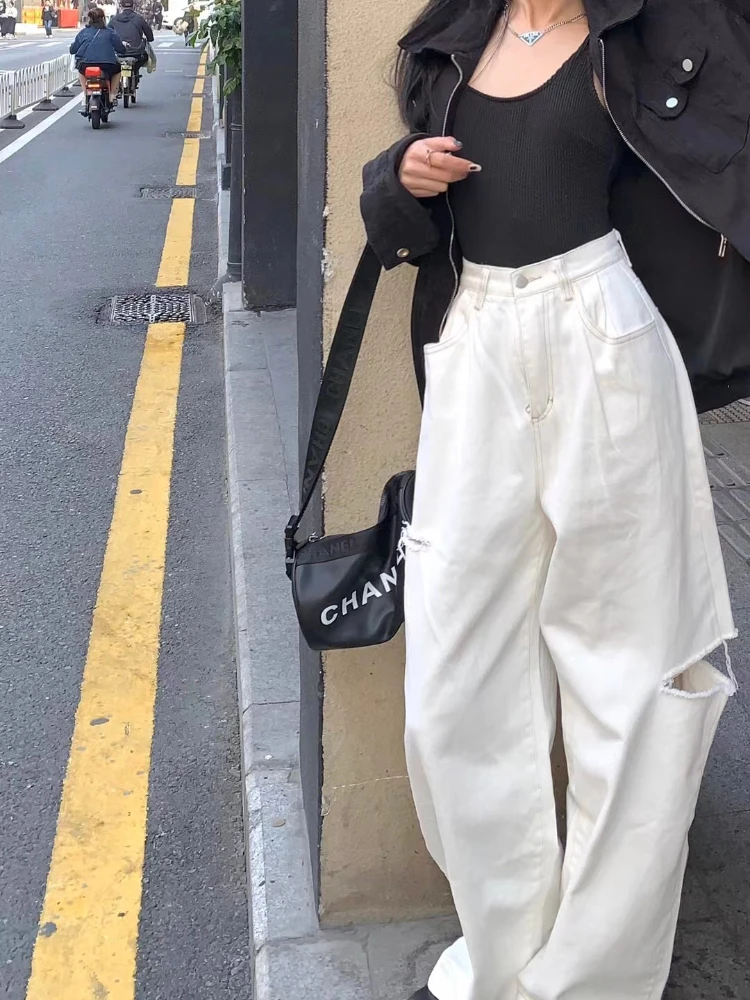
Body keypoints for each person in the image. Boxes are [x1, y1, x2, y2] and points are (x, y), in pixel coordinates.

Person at [359, 2, 750, 999]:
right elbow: (408, 227)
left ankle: (592, 978)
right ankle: (503, 954)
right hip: (478, 342)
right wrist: (395, 180)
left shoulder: (659, 30)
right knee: (454, 687)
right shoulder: (450, 42)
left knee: (634, 681)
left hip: (606, 335)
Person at [70, 6, 125, 109]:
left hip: (86, 64)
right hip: (107, 64)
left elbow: (73, 50)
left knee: (80, 71)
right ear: (103, 19)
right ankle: (112, 95)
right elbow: (120, 48)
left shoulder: (83, 32)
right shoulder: (110, 32)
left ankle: (85, 94)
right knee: (118, 70)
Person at [109, 0, 152, 75]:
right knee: (144, 57)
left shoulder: (114, 19)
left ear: (121, 6)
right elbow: (149, 34)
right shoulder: (139, 18)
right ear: (133, 6)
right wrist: (149, 38)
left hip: (118, 53)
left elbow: (106, 32)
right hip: (137, 52)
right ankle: (135, 73)